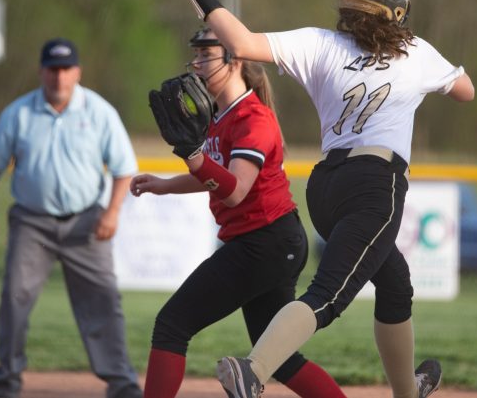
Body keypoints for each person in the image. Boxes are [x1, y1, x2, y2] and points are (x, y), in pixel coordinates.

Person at [176, 0, 476, 398]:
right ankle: (253, 371)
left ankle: (409, 389)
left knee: (394, 282)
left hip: (326, 190)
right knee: (327, 296)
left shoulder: (319, 44)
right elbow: (466, 91)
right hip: (377, 185)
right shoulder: (415, 51)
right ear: (397, 9)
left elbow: (238, 42)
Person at [131, 28, 347, 398]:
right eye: (195, 55)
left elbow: (235, 191)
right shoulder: (218, 117)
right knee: (280, 358)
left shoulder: (254, 119)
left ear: (237, 61)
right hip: (271, 243)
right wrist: (165, 184)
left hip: (265, 242)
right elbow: (217, 178)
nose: (197, 64)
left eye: (207, 55)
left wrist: (193, 155)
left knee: (171, 325)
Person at [0, 38, 143, 398]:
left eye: (66, 69)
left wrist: (112, 213)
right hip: (32, 223)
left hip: (87, 222)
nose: (59, 77)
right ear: (41, 71)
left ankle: (121, 383)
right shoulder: (18, 113)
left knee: (104, 300)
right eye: (52, 69)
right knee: (15, 297)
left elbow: (124, 169)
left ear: (77, 72)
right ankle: (7, 380)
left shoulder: (99, 111)